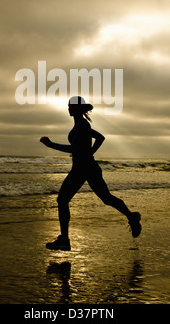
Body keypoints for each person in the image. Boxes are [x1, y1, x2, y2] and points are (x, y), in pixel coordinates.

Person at [40, 96, 141, 251]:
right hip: (88, 166)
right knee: (106, 198)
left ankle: (64, 240)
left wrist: (50, 144)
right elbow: (100, 137)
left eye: (71, 106)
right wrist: (90, 152)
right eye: (68, 106)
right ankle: (131, 216)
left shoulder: (81, 126)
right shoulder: (81, 125)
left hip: (82, 168)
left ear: (79, 109)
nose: (68, 108)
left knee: (62, 200)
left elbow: (75, 149)